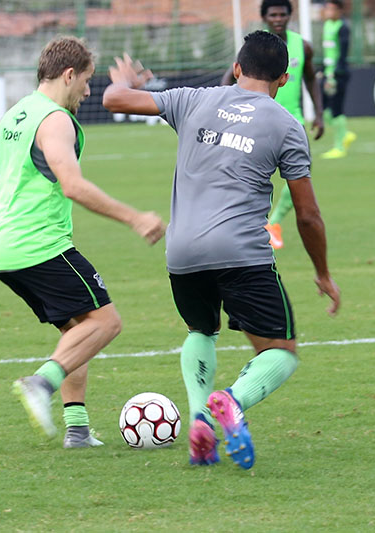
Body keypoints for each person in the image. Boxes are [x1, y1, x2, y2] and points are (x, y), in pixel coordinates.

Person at [103, 32, 340, 469]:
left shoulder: (194, 99)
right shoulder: (286, 126)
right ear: (285, 79)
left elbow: (116, 100)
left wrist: (128, 79)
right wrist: (323, 273)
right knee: (280, 352)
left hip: (182, 252)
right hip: (241, 253)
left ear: (236, 68)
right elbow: (307, 215)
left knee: (201, 330)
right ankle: (230, 401)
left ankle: (199, 420)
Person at [0, 36, 165, 449]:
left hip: (2, 250)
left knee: (77, 328)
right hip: (39, 246)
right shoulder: (55, 120)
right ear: (69, 75)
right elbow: (72, 186)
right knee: (106, 323)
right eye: (86, 81)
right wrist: (134, 216)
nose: (88, 92)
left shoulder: (14, 116)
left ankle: (78, 430)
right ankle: (41, 383)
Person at [221, 0, 325, 250]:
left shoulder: (303, 46)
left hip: (293, 123)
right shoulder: (255, 47)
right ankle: (245, 224)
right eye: (273, 15)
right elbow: (228, 78)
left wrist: (319, 114)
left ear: (290, 16)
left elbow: (311, 79)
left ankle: (273, 222)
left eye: (282, 14)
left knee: (301, 177)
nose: (278, 19)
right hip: (257, 120)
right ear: (265, 18)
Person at [320, 0, 356, 160]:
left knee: (336, 109)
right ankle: (346, 134)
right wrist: (323, 71)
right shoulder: (327, 25)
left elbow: (342, 54)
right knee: (325, 111)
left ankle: (340, 147)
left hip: (338, 74)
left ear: (339, 11)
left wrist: (334, 75)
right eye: (327, 8)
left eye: (332, 9)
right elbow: (329, 53)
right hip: (328, 74)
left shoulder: (343, 28)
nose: (328, 11)